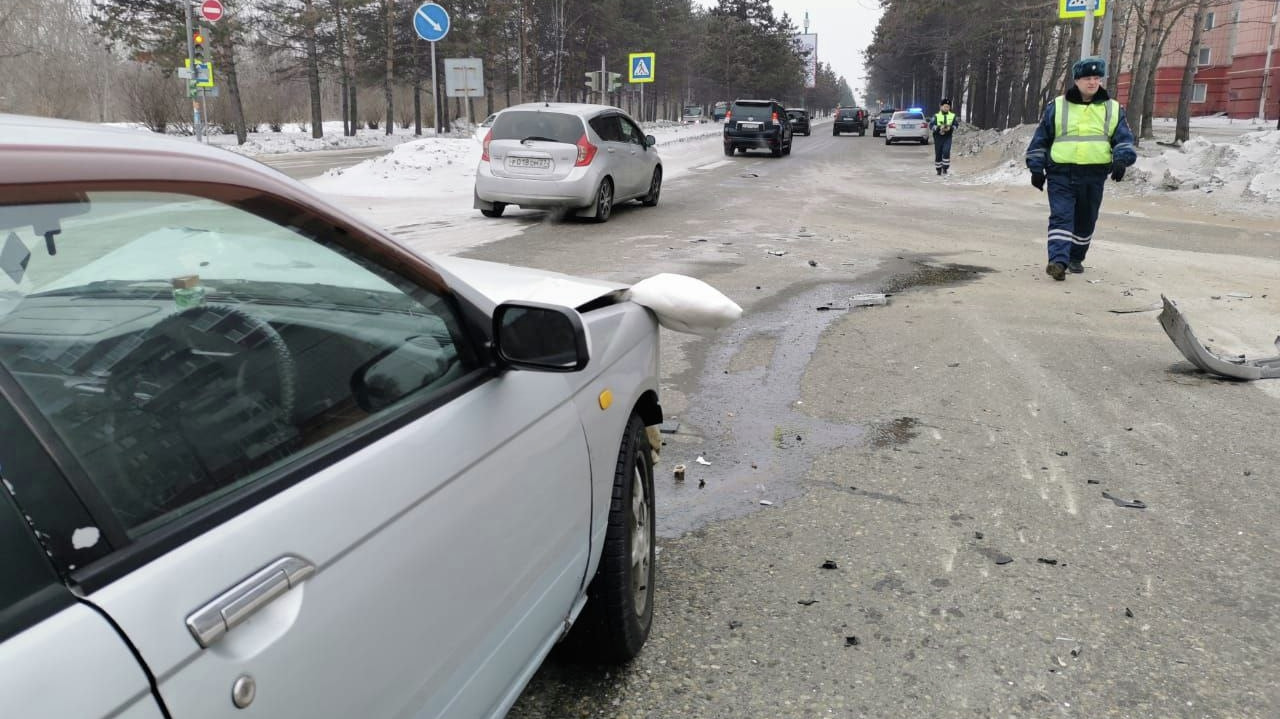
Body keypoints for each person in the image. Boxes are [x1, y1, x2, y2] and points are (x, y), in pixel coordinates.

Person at [1025, 56, 1136, 280]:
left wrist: (1122, 159)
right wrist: (1036, 168)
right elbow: (1041, 139)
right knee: (1061, 217)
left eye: (1097, 78)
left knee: (1086, 220)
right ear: (1076, 80)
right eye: (1087, 78)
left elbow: (1123, 139)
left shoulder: (1113, 109)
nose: (1093, 82)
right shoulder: (1057, 106)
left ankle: (1075, 257)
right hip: (1061, 173)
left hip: (1093, 175)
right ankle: (1057, 261)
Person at [929, 98, 958, 175]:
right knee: (938, 153)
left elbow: (956, 125)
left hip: (948, 137)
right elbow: (931, 126)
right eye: (945, 106)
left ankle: (945, 168)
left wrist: (951, 127)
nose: (946, 108)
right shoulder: (936, 116)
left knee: (946, 151)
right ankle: (938, 169)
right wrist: (938, 127)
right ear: (941, 107)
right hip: (938, 137)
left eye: (948, 107)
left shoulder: (952, 116)